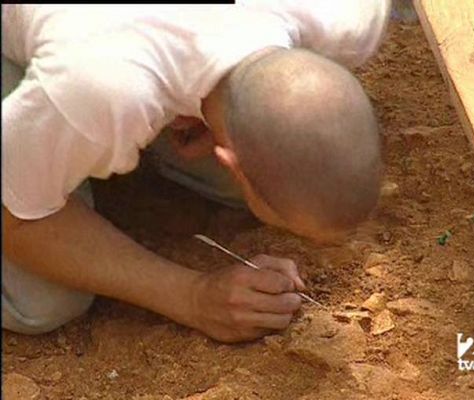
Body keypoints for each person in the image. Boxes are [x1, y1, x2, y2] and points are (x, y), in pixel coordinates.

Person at [1, 1, 390, 343]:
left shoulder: (348, 16)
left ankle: (65, 147)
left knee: (298, 164)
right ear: (229, 161)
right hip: (80, 65)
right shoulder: (99, 89)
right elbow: (15, 219)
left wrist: (208, 111)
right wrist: (192, 296)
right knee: (43, 302)